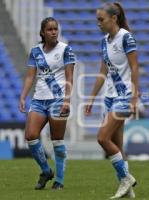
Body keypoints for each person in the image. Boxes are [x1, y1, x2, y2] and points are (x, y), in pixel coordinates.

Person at [84, 2, 138, 199]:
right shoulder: (104, 41)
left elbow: (135, 68)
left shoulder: (126, 38)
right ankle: (128, 192)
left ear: (113, 19)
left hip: (123, 96)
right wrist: (91, 98)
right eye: (97, 19)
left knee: (102, 138)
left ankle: (126, 178)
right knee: (117, 145)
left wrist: (134, 96)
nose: (98, 23)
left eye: (101, 19)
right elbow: (102, 72)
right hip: (109, 97)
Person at [19, 17, 76, 190]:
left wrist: (67, 100)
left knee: (57, 140)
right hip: (38, 100)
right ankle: (46, 170)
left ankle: (59, 180)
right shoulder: (35, 51)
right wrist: (23, 96)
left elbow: (69, 77)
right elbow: (30, 76)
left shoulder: (66, 49)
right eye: (50, 29)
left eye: (55, 29)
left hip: (58, 100)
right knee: (30, 135)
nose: (53, 32)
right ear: (43, 32)